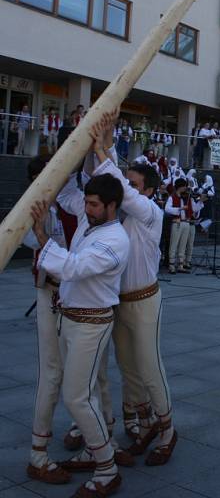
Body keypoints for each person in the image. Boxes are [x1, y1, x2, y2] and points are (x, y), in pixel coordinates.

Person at [31, 172, 130, 498]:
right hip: (70, 319)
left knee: (76, 396)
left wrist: (42, 237)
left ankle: (106, 467)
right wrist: (85, 143)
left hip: (92, 324)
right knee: (81, 393)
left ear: (112, 206)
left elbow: (73, 267)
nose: (85, 209)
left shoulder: (116, 239)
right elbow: (69, 193)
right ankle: (95, 449)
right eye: (86, 203)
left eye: (93, 204)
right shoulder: (93, 221)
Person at [90, 116, 176, 467]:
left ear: (150, 191)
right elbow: (111, 189)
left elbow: (120, 189)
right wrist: (102, 149)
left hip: (144, 300)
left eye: (137, 185)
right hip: (119, 303)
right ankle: (143, 425)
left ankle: (168, 430)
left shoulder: (151, 213)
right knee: (128, 367)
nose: (131, 189)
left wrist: (104, 147)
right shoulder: (119, 217)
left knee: (150, 365)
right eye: (131, 184)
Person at [23, 158, 71, 485]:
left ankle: (95, 437)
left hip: (80, 295)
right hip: (51, 293)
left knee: (90, 372)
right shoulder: (30, 208)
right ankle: (38, 453)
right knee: (52, 371)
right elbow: (36, 246)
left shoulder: (72, 200)